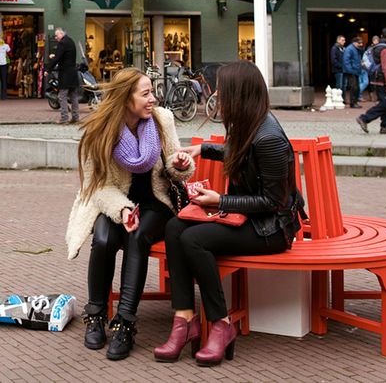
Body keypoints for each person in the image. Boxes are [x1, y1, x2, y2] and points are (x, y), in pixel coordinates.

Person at [153, 60, 304, 367]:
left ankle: (221, 325)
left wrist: (220, 200)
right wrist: (203, 150)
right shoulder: (248, 122)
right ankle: (184, 320)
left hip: (272, 229)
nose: (217, 95)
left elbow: (273, 202)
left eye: (222, 90)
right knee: (174, 228)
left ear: (239, 94)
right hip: (250, 220)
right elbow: (242, 155)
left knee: (194, 239)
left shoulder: (270, 137)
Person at [66, 67, 194, 360]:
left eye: (152, 92)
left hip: (155, 203)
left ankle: (125, 323)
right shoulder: (99, 132)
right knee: (102, 238)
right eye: (145, 93)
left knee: (136, 236)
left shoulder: (162, 120)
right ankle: (95, 316)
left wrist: (182, 163)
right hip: (113, 201)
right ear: (126, 98)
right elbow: (96, 187)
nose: (153, 99)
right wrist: (121, 209)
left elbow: (175, 168)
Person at [356, 27, 386, 135]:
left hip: (375, 78)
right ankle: (364, 118)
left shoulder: (377, 46)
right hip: (381, 80)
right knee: (384, 104)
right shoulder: (385, 49)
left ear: (381, 36)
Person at [45, 28, 80, 124]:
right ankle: (75, 117)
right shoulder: (71, 41)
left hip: (65, 73)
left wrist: (48, 69)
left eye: (56, 36)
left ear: (61, 34)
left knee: (62, 96)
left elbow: (58, 58)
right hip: (73, 72)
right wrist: (56, 56)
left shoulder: (62, 43)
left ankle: (64, 118)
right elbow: (66, 56)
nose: (56, 38)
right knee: (73, 96)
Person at [342, 36, 364, 108]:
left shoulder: (356, 49)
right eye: (359, 43)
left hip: (356, 70)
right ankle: (353, 102)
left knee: (357, 87)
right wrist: (350, 70)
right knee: (354, 87)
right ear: (354, 43)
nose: (361, 44)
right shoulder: (350, 49)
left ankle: (355, 102)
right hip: (352, 71)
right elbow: (346, 61)